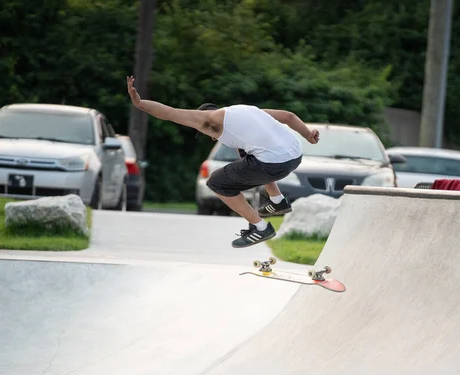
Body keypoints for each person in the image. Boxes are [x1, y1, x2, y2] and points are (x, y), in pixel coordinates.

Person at [126, 76, 320, 248]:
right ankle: (278, 201)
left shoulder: (208, 120)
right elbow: (288, 116)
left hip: (273, 163)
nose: (211, 137)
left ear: (205, 124)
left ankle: (260, 227)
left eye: (207, 134)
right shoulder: (249, 111)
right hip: (295, 156)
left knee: (217, 182)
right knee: (245, 153)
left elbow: (171, 113)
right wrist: (308, 135)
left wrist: (141, 104)